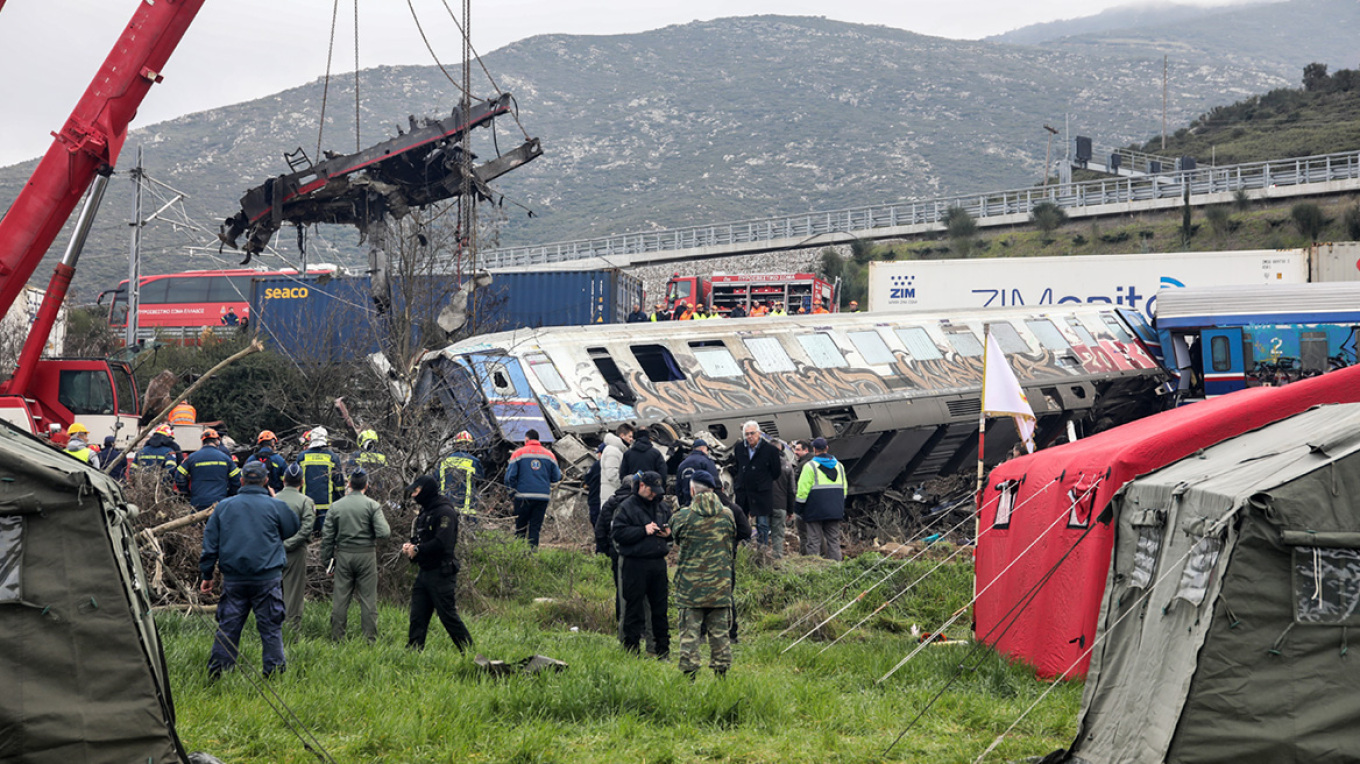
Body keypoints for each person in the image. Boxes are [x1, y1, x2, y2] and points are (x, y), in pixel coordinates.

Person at [198, 461, 300, 679]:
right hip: (267, 579)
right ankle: (274, 675)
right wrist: (273, 499)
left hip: (234, 579)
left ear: (241, 480)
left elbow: (210, 544)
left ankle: (219, 675)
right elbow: (292, 527)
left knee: (228, 628)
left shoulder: (224, 507)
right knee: (271, 629)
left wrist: (207, 575)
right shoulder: (275, 506)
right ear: (266, 481)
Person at [672, 470, 737, 679]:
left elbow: (676, 537)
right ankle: (721, 676)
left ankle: (689, 677)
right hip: (720, 585)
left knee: (689, 635)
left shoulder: (683, 516)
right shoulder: (727, 515)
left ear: (692, 490)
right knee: (720, 635)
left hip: (690, 587)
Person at [402, 475, 473, 652]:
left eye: (416, 491)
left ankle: (469, 651)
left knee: (448, 616)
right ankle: (413, 652)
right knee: (417, 615)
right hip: (424, 571)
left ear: (426, 491)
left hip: (441, 573)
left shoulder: (444, 512)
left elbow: (442, 543)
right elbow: (424, 539)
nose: (413, 495)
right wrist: (411, 546)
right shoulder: (426, 511)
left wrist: (418, 549)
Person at [320, 470, 390, 643]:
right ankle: (370, 639)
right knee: (368, 600)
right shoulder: (372, 505)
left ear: (349, 484)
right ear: (367, 485)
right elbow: (384, 532)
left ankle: (337, 638)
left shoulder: (336, 506)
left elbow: (327, 537)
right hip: (366, 555)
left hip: (344, 555)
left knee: (340, 599)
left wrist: (327, 562)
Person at [611, 470, 671, 658]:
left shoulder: (662, 507)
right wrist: (642, 530)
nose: (654, 495)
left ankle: (662, 651)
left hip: (658, 563)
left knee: (660, 609)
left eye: (657, 491)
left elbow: (672, 527)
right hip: (635, 564)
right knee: (633, 609)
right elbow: (618, 534)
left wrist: (669, 534)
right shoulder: (626, 507)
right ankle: (631, 650)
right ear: (642, 486)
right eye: (651, 490)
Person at [504, 428, 561, 548]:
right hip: (542, 497)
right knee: (535, 528)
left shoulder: (518, 453)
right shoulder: (550, 455)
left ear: (526, 439)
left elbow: (509, 477)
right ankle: (533, 554)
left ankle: (519, 553)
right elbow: (556, 477)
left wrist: (512, 493)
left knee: (520, 528)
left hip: (522, 497)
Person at [275, 463, 316, 631]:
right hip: (296, 553)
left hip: (273, 552)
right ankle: (291, 631)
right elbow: (307, 529)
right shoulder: (306, 501)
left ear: (283, 480)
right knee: (294, 594)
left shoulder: (273, 500)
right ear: (302, 482)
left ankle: (272, 628)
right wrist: (290, 544)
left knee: (273, 591)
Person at [795, 437, 847, 561]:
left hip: (814, 510)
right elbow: (844, 489)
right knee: (833, 541)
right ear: (827, 448)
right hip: (834, 509)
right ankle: (836, 567)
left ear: (814, 449)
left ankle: (815, 567)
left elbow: (802, 490)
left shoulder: (810, 466)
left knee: (813, 541)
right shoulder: (839, 466)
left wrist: (798, 509)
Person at [733, 420, 782, 548]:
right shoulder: (739, 448)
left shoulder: (770, 450)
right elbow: (737, 467)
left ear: (759, 433)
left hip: (761, 492)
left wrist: (763, 480)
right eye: (747, 434)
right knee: (742, 523)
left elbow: (776, 472)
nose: (749, 436)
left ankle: (762, 551)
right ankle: (745, 550)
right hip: (744, 491)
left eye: (752, 433)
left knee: (762, 524)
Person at [176, 428, 241, 510]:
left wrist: (185, 492)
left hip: (198, 501)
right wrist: (230, 494)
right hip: (220, 502)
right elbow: (237, 479)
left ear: (202, 442)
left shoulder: (191, 458)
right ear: (217, 441)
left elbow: (179, 476)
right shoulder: (225, 458)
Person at [298, 427, 345, 535]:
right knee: (325, 536)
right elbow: (339, 484)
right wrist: (340, 499)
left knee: (307, 535)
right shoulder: (333, 457)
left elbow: (296, 481)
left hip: (307, 506)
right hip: (327, 507)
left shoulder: (302, 457)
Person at [438, 430, 483, 520]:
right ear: (469, 446)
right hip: (467, 508)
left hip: (445, 506)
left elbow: (436, 480)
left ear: (455, 445)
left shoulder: (445, 461)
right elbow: (480, 479)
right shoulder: (474, 461)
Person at [767, 439, 795, 559]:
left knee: (762, 533)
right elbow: (791, 490)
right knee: (778, 535)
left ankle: (761, 559)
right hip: (780, 505)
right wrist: (790, 510)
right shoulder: (788, 466)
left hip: (763, 506)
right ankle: (777, 559)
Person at [675, 437, 719, 508]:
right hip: (705, 504)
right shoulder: (707, 462)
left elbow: (678, 486)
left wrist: (681, 503)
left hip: (687, 504)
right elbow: (715, 481)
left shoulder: (682, 464)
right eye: (707, 450)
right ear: (703, 449)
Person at [599, 423, 634, 503]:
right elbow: (612, 475)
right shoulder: (612, 451)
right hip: (612, 496)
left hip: (614, 496)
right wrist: (625, 487)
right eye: (630, 436)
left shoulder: (619, 450)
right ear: (622, 435)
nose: (631, 439)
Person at [790, 440, 813, 554]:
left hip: (805, 503)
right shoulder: (815, 461)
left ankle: (806, 556)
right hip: (816, 503)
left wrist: (797, 506)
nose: (795, 452)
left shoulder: (804, 465)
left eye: (798, 450)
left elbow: (796, 484)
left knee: (804, 533)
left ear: (806, 450)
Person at [584, 442, 605, 528]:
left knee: (596, 522)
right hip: (608, 499)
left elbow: (587, 479)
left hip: (595, 498)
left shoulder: (597, 465)